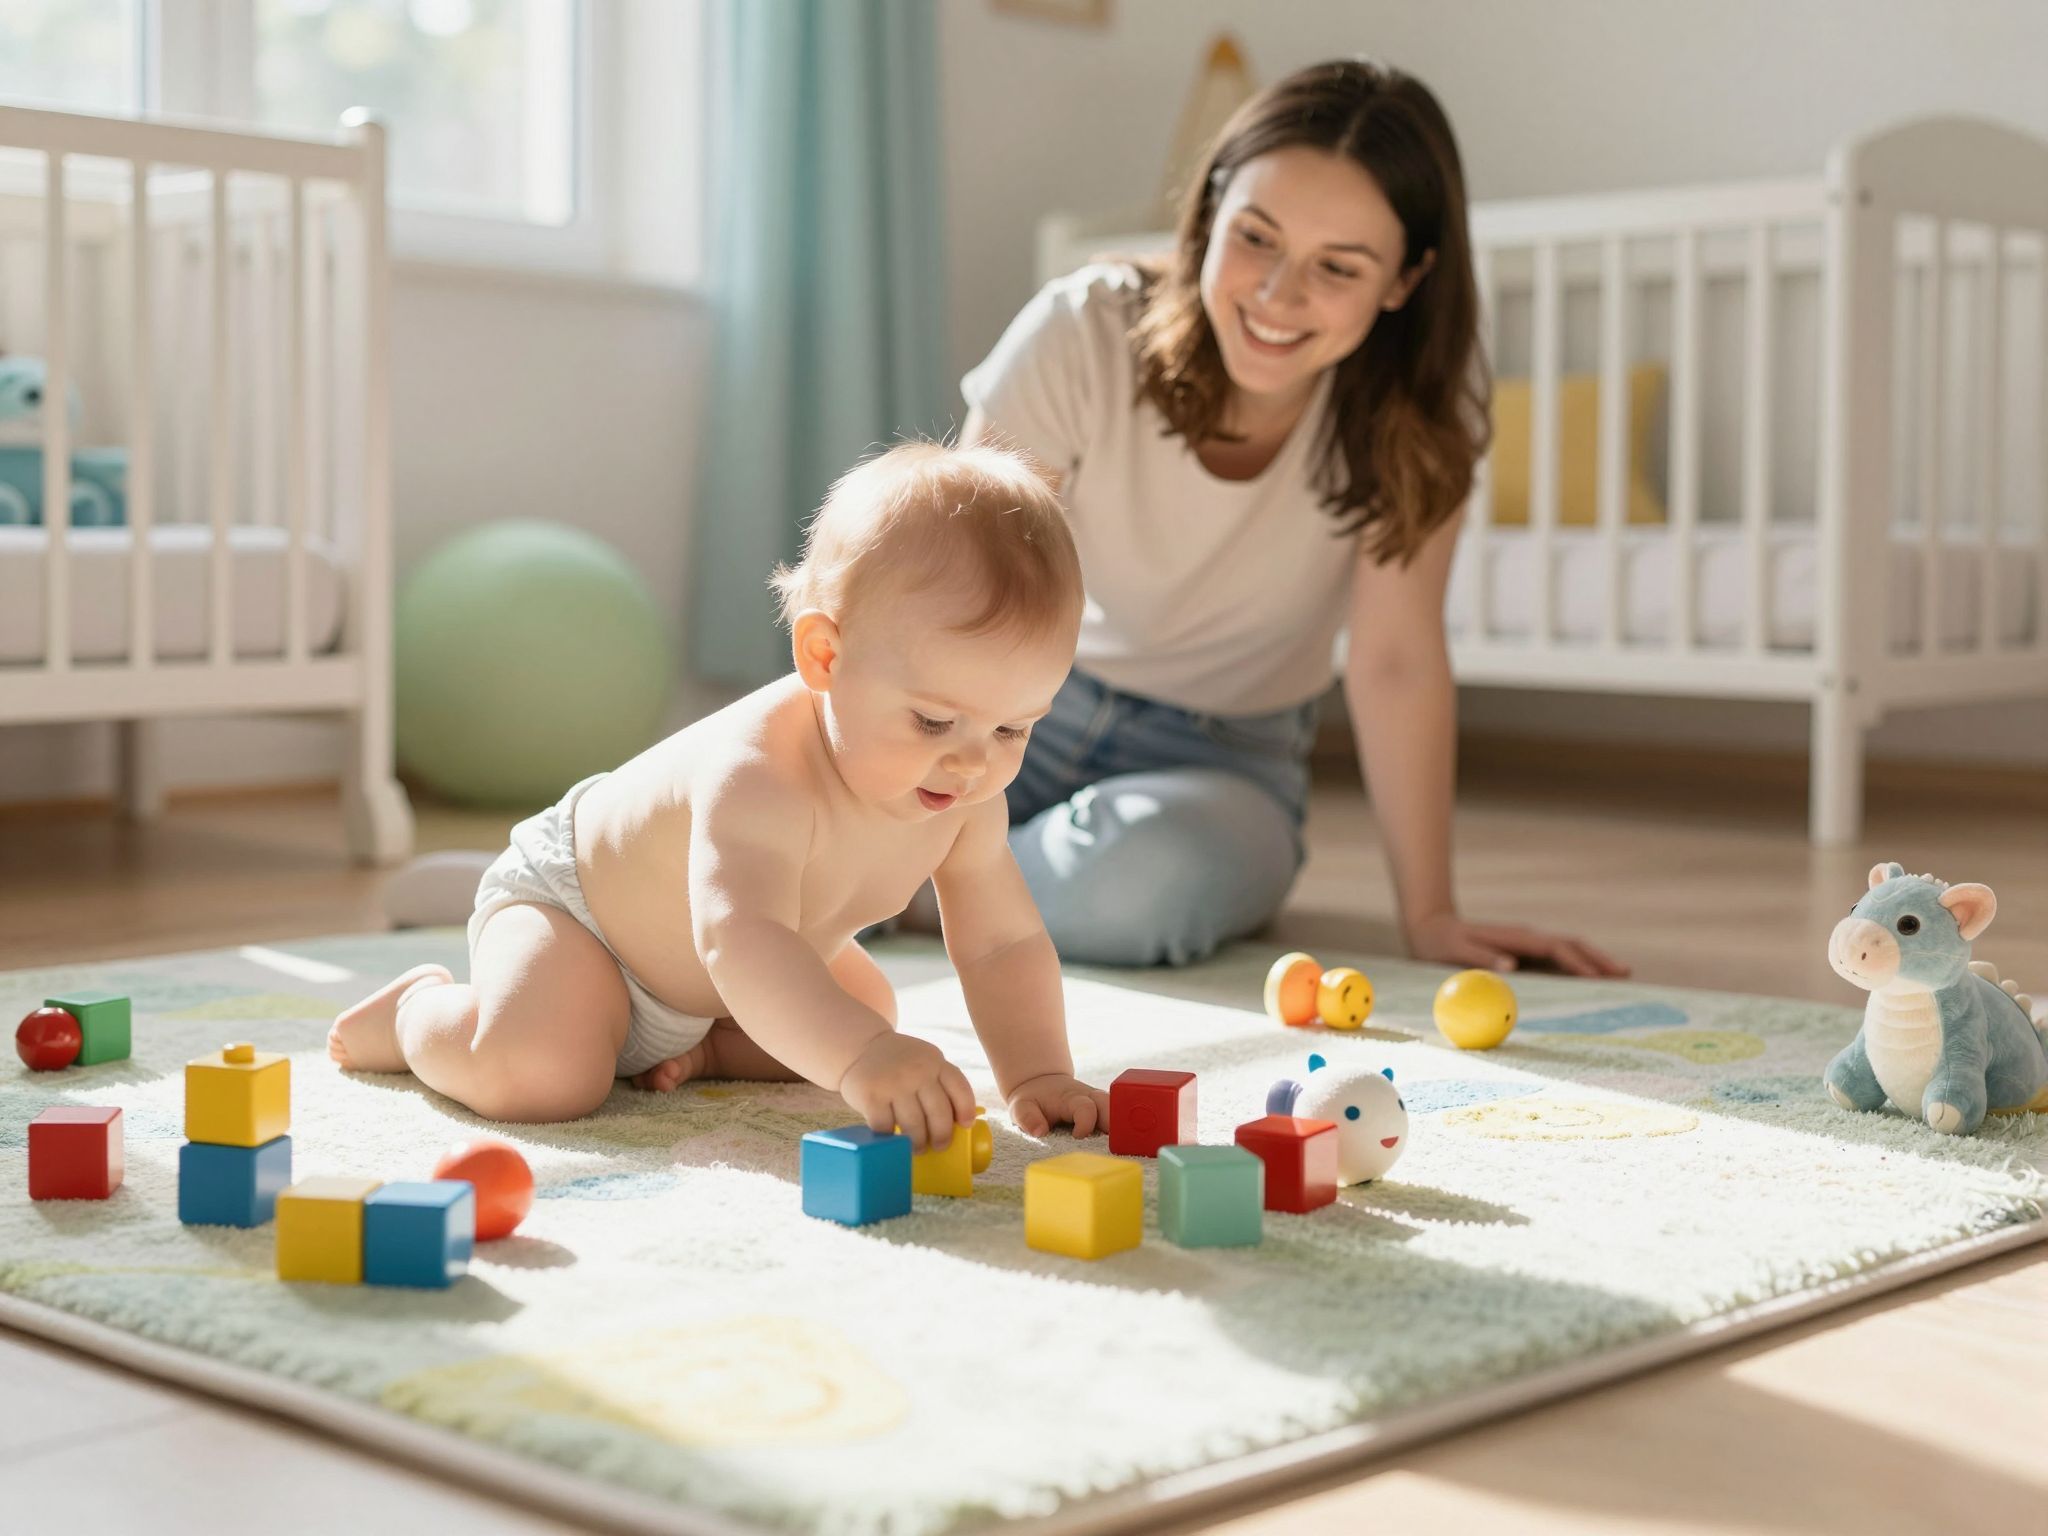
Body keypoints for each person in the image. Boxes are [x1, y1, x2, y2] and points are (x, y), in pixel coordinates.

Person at [956, 57, 1626, 976]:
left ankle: (920, 887)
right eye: (1257, 238)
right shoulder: (1084, 327)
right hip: (1017, 709)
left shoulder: (1419, 418)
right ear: (1212, 210)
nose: (1276, 295)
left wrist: (1430, 915)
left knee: (1143, 884)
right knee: (770, 783)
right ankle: (944, 877)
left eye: (1337, 267)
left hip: (1222, 762)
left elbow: (1394, 660)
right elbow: (963, 580)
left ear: (1404, 281)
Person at [332, 442, 1111, 1143]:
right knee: (542, 1076)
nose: (973, 765)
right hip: (581, 920)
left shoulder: (967, 799)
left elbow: (1000, 942)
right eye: (935, 720)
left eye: (1015, 729)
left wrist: (1036, 1074)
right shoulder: (757, 775)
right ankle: (415, 1016)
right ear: (825, 655)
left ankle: (700, 1048)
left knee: (868, 1016)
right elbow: (740, 938)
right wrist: (862, 1058)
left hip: (722, 983)